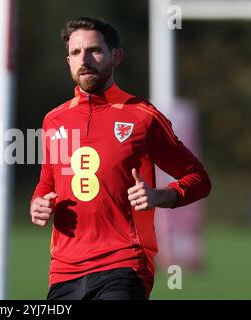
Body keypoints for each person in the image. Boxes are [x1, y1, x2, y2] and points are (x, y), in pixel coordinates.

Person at [30, 17, 211, 300]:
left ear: (116, 57)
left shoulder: (142, 116)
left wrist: (159, 196)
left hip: (123, 265)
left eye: (94, 50)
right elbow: (46, 184)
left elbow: (199, 180)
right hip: (64, 272)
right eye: (76, 53)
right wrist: (38, 204)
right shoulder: (54, 120)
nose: (84, 59)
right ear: (68, 61)